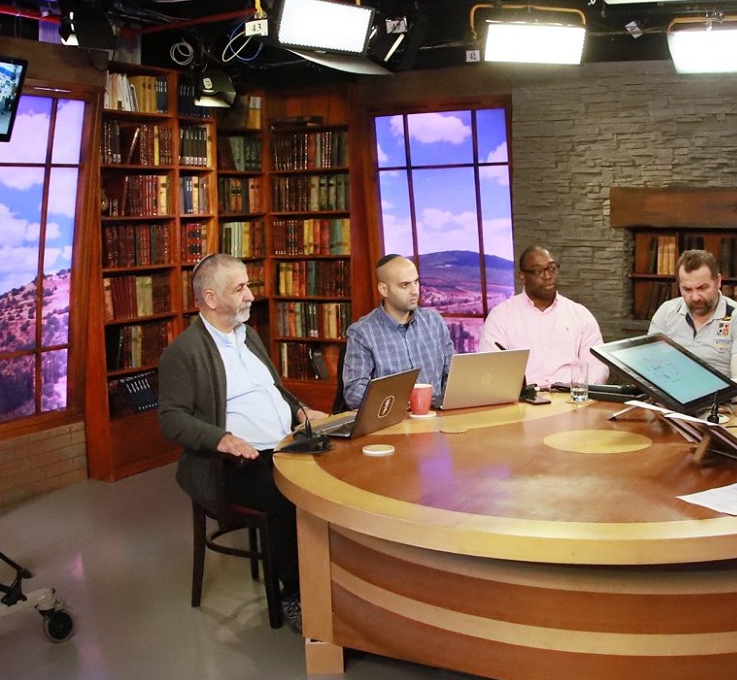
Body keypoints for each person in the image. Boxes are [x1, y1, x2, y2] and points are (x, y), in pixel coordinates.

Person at [157, 254, 330, 631]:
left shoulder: (248, 335)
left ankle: (336, 580)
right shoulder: (184, 352)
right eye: (240, 288)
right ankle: (296, 594)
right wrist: (221, 438)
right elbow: (170, 418)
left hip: (285, 446)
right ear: (211, 298)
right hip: (234, 465)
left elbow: (274, 389)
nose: (251, 295)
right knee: (289, 497)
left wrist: (301, 411)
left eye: (248, 286)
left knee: (336, 475)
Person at [477, 246, 609, 389]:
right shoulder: (500, 316)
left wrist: (581, 390)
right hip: (522, 399)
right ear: (522, 276)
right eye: (538, 271)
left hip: (572, 396)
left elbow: (598, 365)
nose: (547, 276)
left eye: (552, 269)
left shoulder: (580, 314)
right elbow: (489, 368)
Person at [341, 254, 454, 406]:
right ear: (384, 289)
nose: (415, 291)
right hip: (392, 416)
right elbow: (354, 391)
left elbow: (452, 374)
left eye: (416, 282)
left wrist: (448, 401)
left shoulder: (434, 322)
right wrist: (396, 403)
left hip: (435, 414)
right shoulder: (362, 333)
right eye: (405, 285)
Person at [647, 249, 737, 392]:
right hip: (668, 397)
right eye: (687, 289)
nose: (695, 297)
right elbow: (649, 368)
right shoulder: (666, 311)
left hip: (719, 401)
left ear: (718, 281)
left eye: (702, 288)